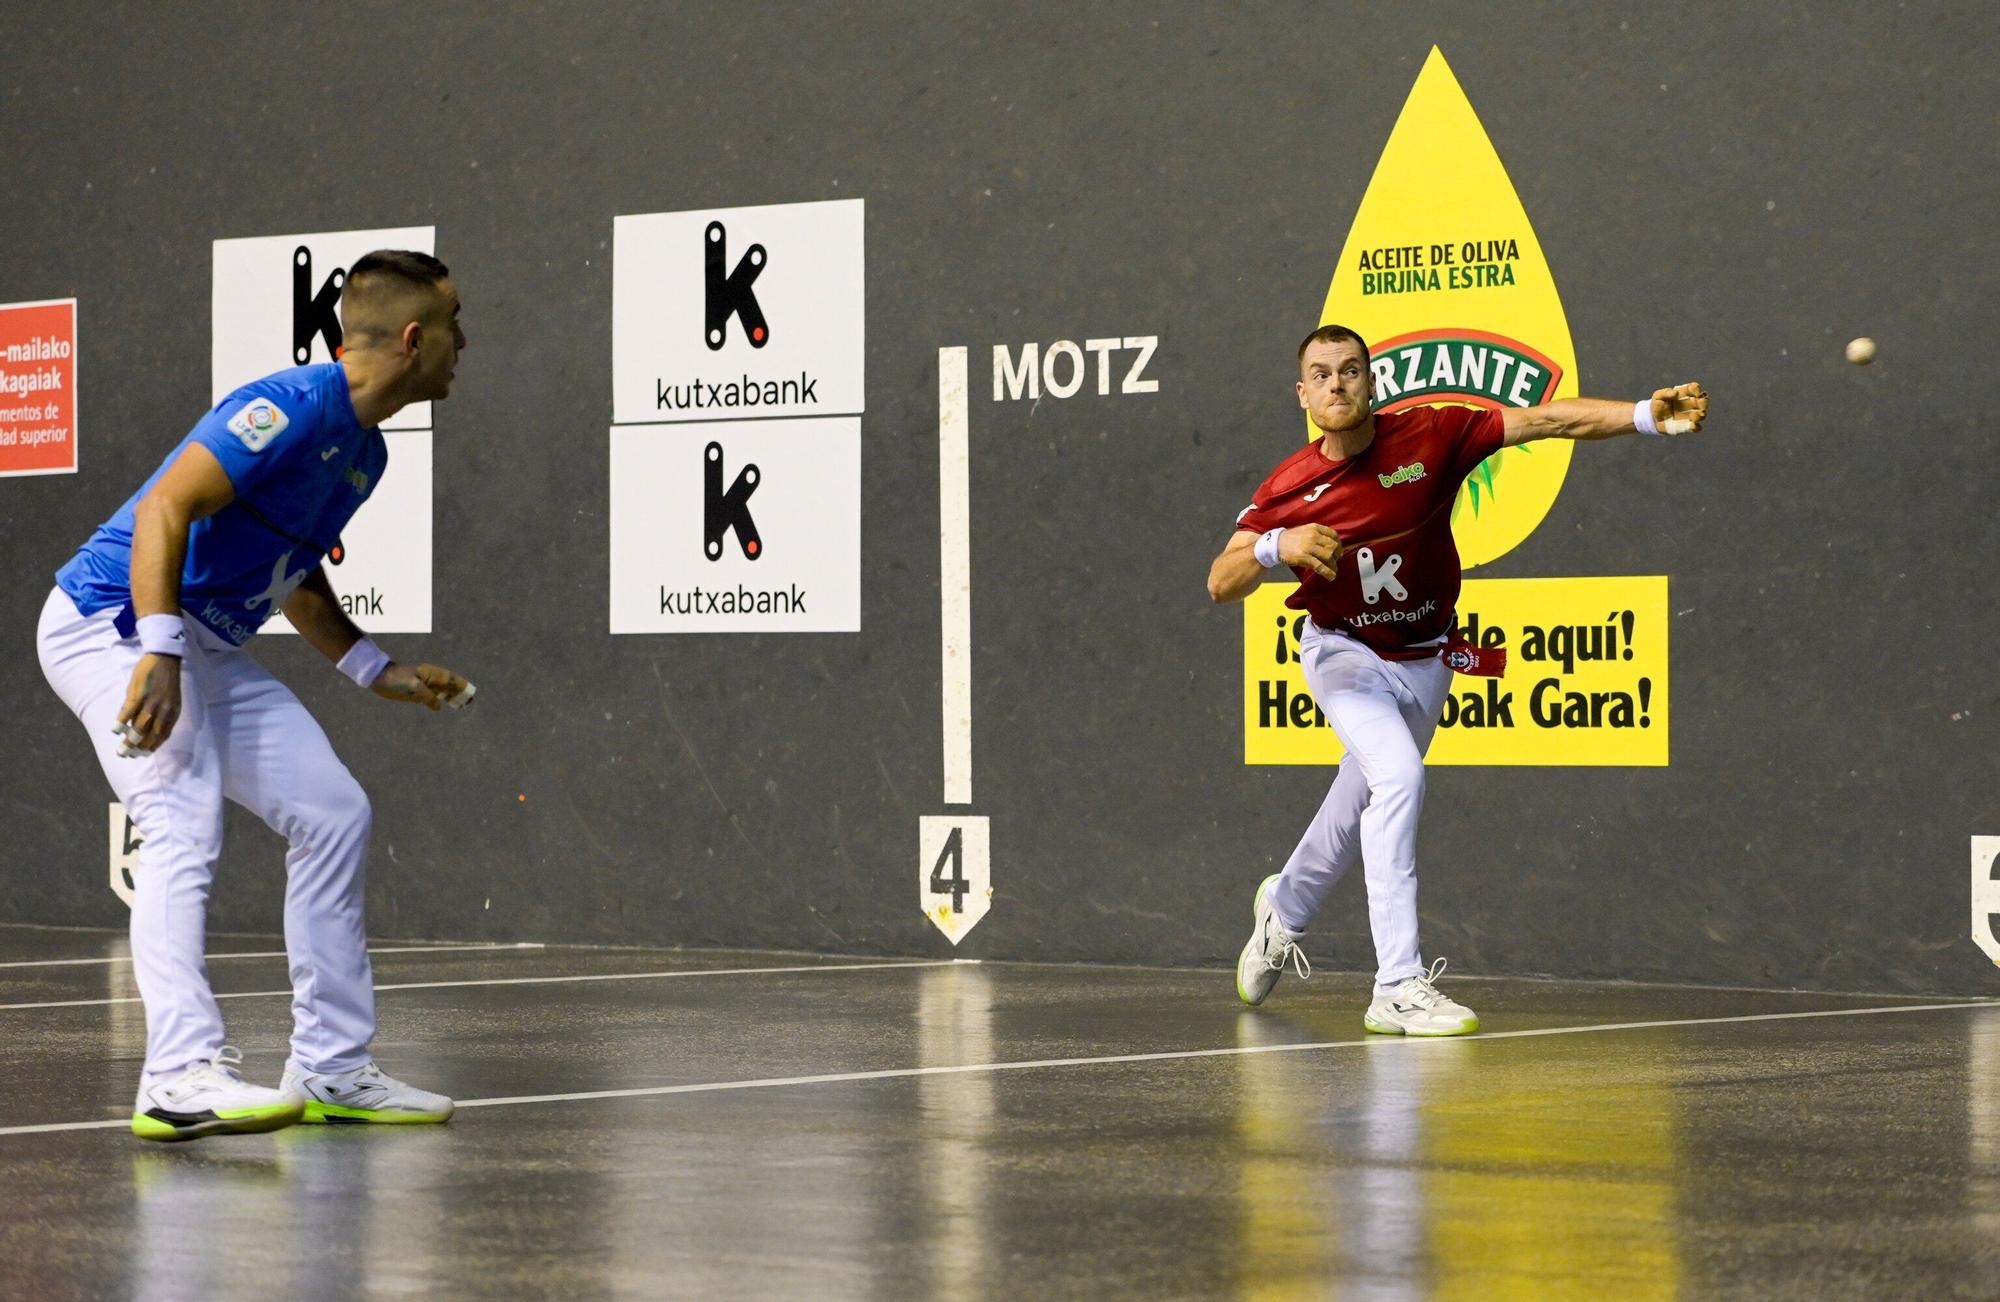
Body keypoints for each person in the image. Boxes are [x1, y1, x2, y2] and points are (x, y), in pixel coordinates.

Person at [37, 250, 473, 1140]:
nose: (464, 343)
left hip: (197, 641)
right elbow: (167, 505)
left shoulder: (367, 451)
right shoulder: (289, 405)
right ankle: (177, 1075)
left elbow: (292, 569)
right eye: (456, 324)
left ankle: (333, 1068)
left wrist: (371, 669)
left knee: (333, 810)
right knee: (180, 815)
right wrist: (157, 651)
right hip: (111, 620)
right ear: (415, 337)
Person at [1209, 324, 1707, 1035]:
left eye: (1350, 370)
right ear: (1303, 394)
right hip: (1343, 655)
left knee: (1360, 797)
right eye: (1321, 375)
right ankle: (1398, 986)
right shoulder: (1288, 489)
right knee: (1400, 777)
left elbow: (1546, 420)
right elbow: (1220, 582)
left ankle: (1282, 911)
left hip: (1427, 656)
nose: (1337, 384)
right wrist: (1272, 545)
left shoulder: (1431, 438)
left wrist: (1642, 416)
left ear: (1370, 381)